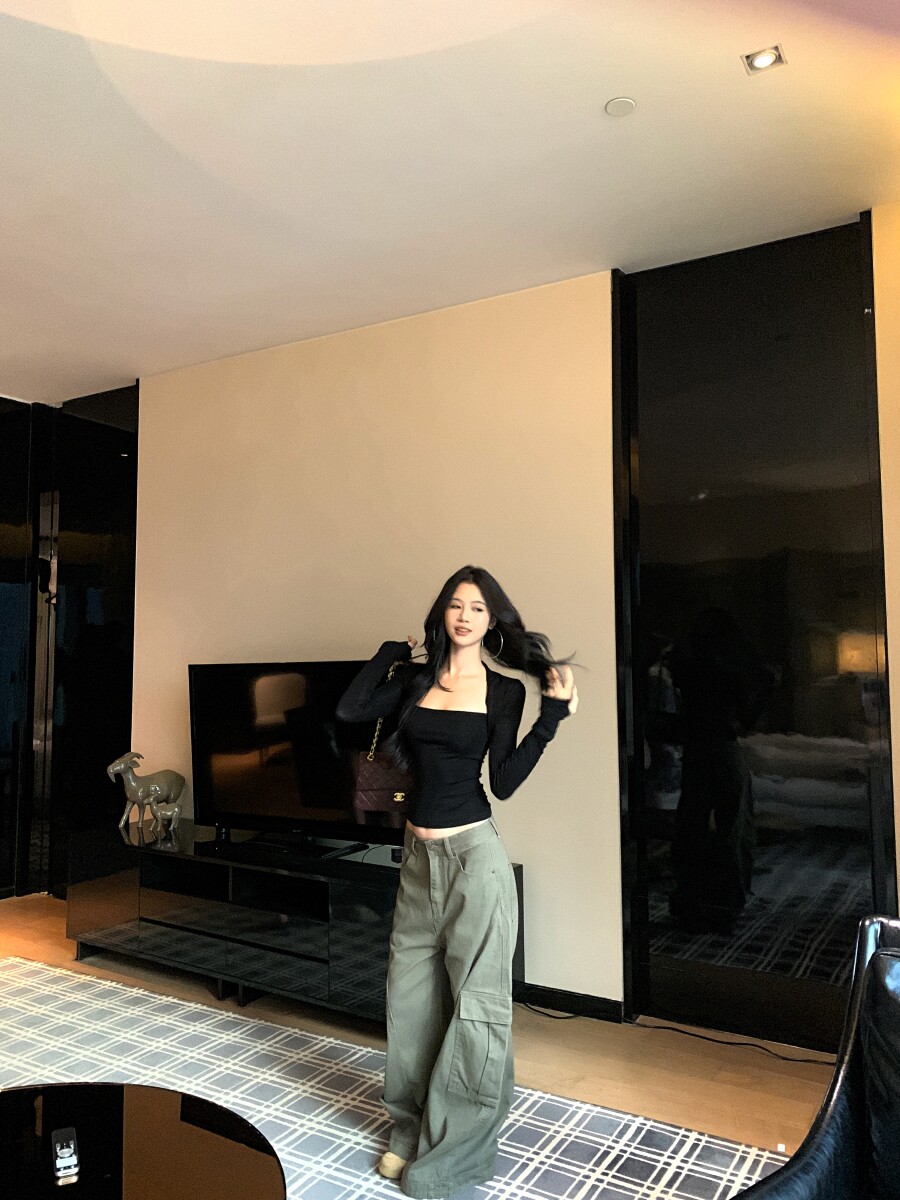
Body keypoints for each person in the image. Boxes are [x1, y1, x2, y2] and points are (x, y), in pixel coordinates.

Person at [336, 565, 577, 1199]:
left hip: (475, 862)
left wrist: (550, 719)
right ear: (442, 614)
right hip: (418, 862)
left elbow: (505, 780)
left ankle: (456, 1153)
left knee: (478, 1008)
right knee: (409, 1003)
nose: (465, 616)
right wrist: (389, 652)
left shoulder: (503, 693)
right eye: (455, 605)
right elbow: (349, 708)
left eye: (477, 607)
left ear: (492, 620)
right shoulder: (414, 681)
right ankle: (409, 1129)